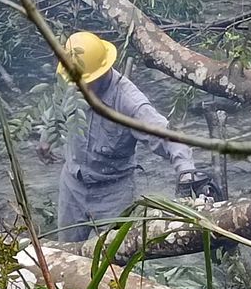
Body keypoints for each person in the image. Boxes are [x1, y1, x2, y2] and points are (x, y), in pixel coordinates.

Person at [37, 31, 197, 242]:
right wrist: (47, 136)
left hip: (113, 193)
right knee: (67, 253)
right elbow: (57, 107)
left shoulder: (129, 102)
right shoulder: (73, 80)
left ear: (101, 73)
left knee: (114, 259)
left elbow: (167, 137)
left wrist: (186, 173)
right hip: (72, 186)